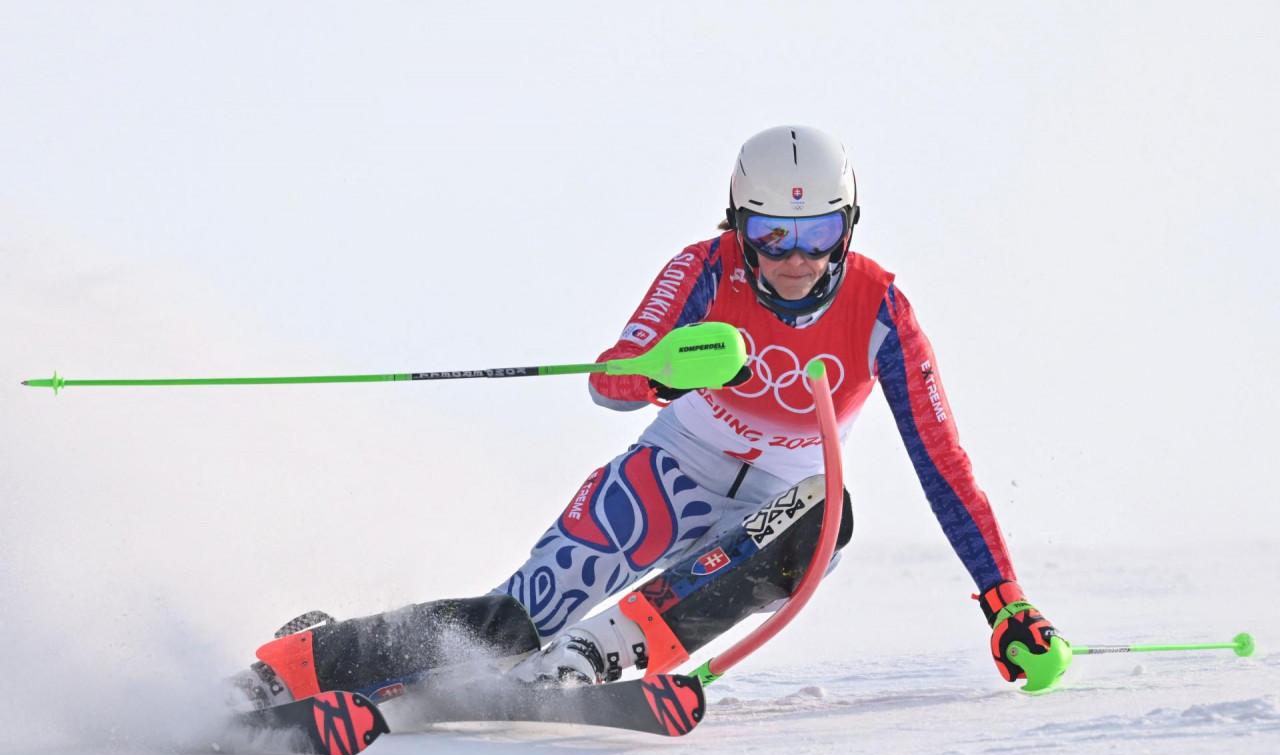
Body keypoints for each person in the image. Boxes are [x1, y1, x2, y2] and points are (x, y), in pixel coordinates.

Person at [234, 126, 1066, 711]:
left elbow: (942, 461)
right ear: (737, 226)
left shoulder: (881, 308)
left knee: (829, 512)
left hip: (779, 498)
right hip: (675, 468)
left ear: (847, 228)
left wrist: (1005, 601)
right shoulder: (702, 270)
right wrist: (668, 372)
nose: (795, 258)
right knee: (509, 624)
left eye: (817, 233)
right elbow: (610, 380)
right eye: (771, 234)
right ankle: (305, 661)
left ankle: (610, 653)